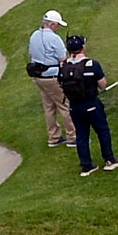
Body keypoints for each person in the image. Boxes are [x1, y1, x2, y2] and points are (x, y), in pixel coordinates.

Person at [62, 35, 118, 175]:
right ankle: (109, 160)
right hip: (91, 104)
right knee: (102, 131)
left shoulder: (63, 66)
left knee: (81, 135)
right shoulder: (92, 64)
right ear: (83, 47)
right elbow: (102, 84)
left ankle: (86, 166)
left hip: (74, 106)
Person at [28, 8, 72, 148]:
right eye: (57, 25)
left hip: (38, 77)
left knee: (49, 107)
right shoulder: (54, 38)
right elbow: (63, 59)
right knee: (65, 105)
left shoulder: (34, 35)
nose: (57, 27)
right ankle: (73, 136)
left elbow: (31, 54)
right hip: (52, 77)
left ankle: (54, 137)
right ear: (52, 24)